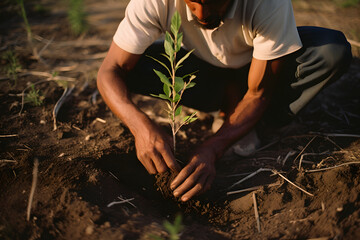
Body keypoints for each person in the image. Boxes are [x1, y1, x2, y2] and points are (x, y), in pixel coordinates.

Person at [97, 0, 352, 202]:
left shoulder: (268, 4)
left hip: (259, 69)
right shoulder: (153, 1)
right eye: (192, 2)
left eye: (213, 2)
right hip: (201, 70)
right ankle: (221, 104)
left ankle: (258, 120)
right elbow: (110, 70)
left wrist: (212, 148)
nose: (202, 13)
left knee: (330, 51)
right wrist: (140, 125)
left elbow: (258, 94)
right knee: (133, 61)